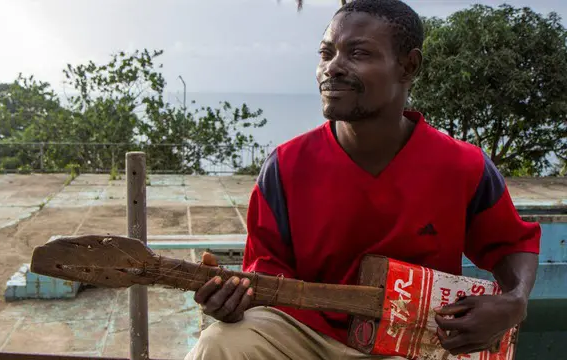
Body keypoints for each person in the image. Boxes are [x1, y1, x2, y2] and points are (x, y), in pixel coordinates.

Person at [184, 0, 541, 359]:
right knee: (222, 342)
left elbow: (512, 245)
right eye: (326, 53)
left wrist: (514, 302)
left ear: (408, 65)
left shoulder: (463, 166)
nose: (332, 67)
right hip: (308, 339)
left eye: (357, 53)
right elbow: (265, 276)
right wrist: (233, 304)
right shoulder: (285, 167)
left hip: (416, 344)